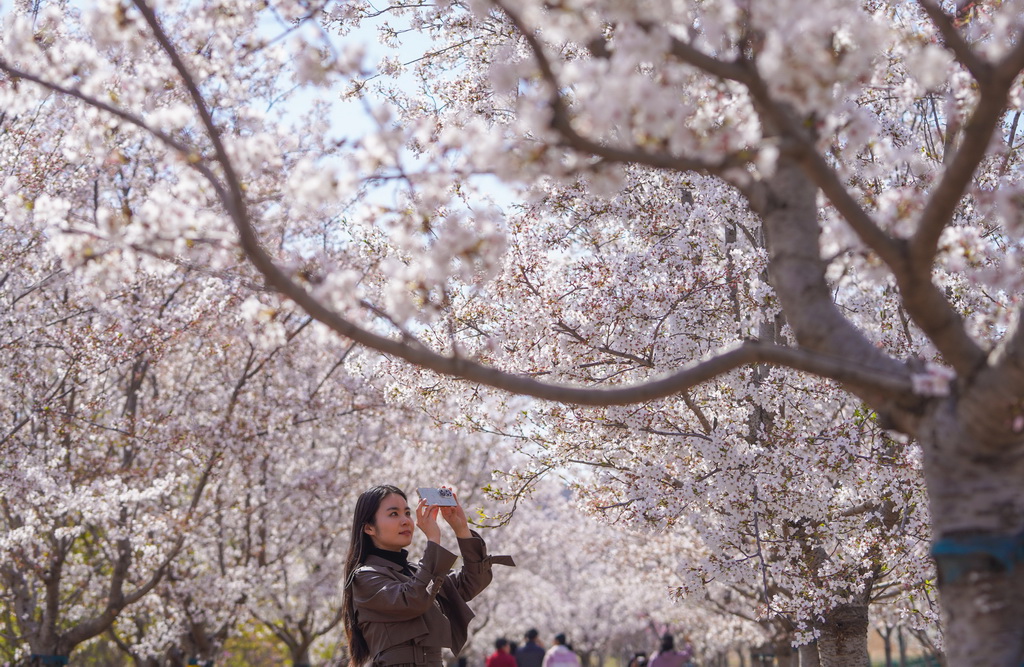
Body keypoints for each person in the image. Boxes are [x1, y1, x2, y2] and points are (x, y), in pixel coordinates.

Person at [341, 485, 514, 667]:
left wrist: (461, 529)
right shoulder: (365, 577)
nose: (406, 521)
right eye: (394, 514)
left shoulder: (416, 572)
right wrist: (433, 542)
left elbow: (471, 582)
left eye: (407, 513)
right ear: (369, 528)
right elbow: (412, 599)